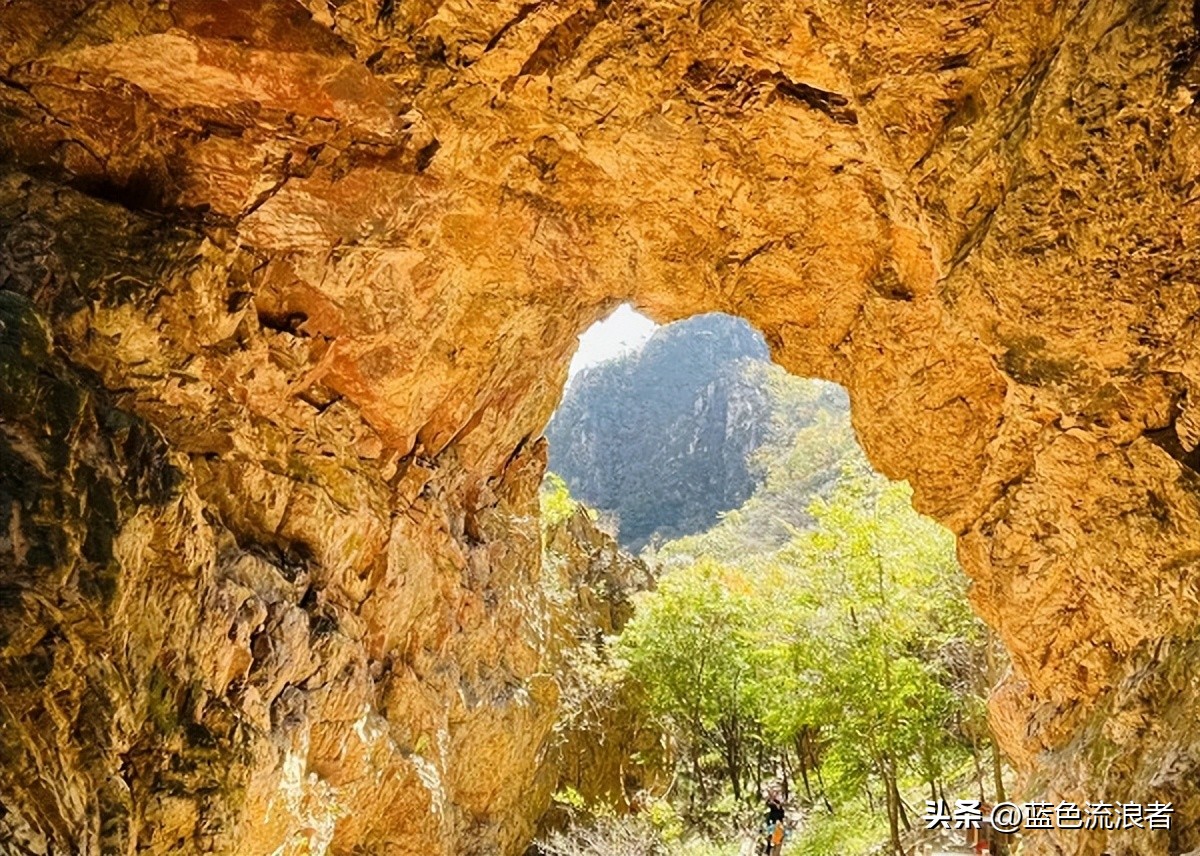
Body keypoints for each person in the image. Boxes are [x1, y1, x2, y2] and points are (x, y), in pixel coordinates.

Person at [760, 786, 787, 856]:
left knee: (777, 840)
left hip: (777, 824)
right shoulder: (772, 804)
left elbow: (781, 813)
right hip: (773, 823)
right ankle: (769, 849)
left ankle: (771, 850)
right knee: (772, 837)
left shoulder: (778, 803)